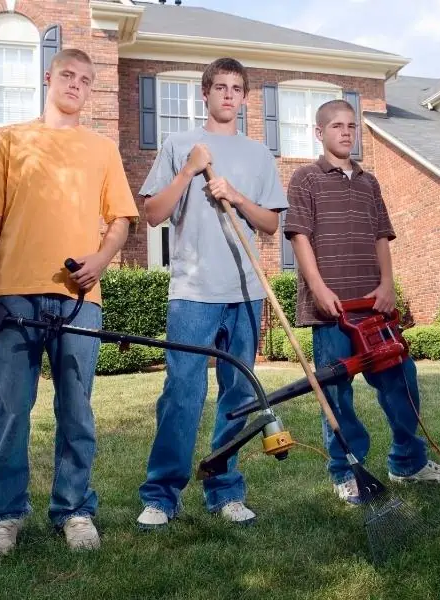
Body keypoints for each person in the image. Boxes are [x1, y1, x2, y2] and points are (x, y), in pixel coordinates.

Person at [0, 48, 139, 560]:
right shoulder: (11, 141)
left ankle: (74, 509)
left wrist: (102, 259)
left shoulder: (103, 149)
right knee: (12, 411)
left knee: (77, 410)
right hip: (13, 294)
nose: (76, 85)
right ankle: (4, 516)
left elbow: (121, 222)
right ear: (49, 78)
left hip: (80, 299)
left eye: (86, 80)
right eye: (68, 75)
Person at [135, 57, 289, 529]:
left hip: (244, 293)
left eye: (236, 88)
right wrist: (189, 171)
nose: (227, 95)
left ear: (244, 97)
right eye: (219, 87)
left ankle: (224, 489)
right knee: (182, 392)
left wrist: (238, 196)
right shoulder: (180, 144)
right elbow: (152, 215)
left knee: (237, 395)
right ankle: (162, 495)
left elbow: (271, 225)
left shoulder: (260, 155)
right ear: (205, 93)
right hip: (192, 292)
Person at [283, 99, 440, 505]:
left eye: (351, 126)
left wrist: (388, 284)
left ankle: (408, 463)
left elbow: (381, 236)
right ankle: (347, 472)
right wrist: (319, 288)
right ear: (319, 133)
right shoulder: (305, 179)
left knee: (401, 382)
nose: (346, 132)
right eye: (336, 126)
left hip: (373, 307)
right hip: (333, 312)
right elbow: (299, 237)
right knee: (338, 395)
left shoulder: (370, 182)